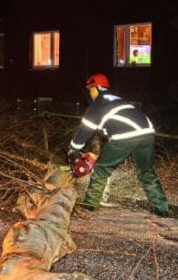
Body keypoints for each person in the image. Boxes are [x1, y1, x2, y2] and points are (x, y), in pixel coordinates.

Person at [68, 73, 169, 216]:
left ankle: (90, 205)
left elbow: (84, 131)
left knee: (101, 169)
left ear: (96, 89)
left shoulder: (98, 104)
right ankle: (162, 209)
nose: (90, 93)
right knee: (146, 172)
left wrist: (73, 150)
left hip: (125, 135)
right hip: (148, 132)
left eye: (91, 90)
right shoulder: (118, 100)